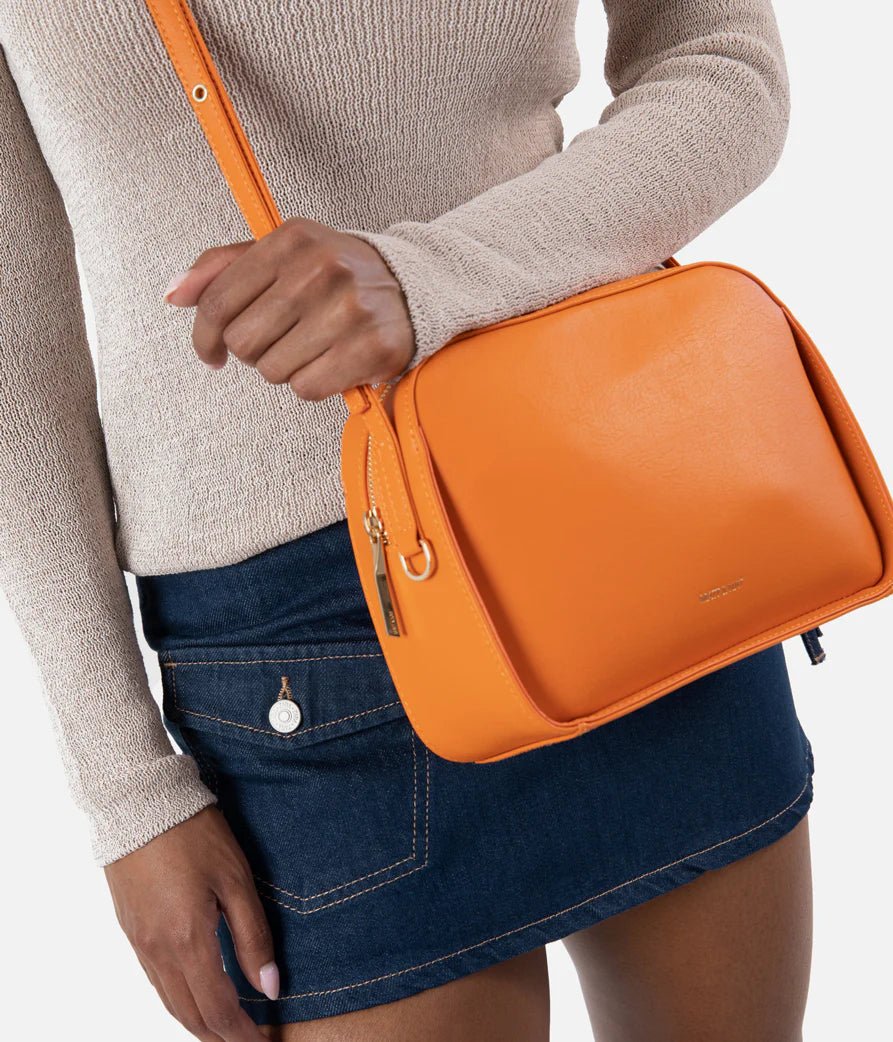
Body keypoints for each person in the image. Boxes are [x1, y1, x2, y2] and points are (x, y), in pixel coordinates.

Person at [0, 2, 812, 1039]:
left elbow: (721, 62)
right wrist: (129, 795)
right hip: (297, 647)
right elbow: (16, 360)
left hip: (616, 520)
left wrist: (425, 274)